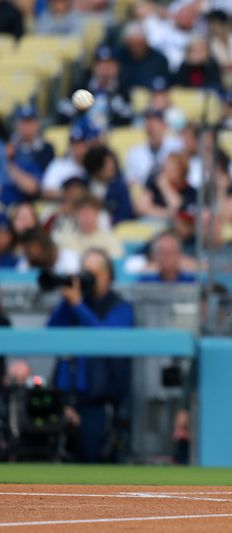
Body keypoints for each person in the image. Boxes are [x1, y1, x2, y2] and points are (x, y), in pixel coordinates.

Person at [48, 248, 134, 463]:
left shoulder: (120, 308)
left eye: (92, 273)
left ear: (107, 275)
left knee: (93, 461)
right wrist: (67, 303)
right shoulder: (76, 305)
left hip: (97, 402)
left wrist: (78, 305)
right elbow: (50, 332)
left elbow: (106, 339)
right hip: (65, 397)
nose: (86, 279)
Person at [4, 105, 55, 206]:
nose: (27, 128)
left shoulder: (46, 149)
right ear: (17, 125)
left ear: (37, 124)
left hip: (34, 203)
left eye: (30, 123)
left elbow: (34, 187)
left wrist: (7, 162)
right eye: (23, 123)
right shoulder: (9, 146)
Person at [124, 108, 183, 186]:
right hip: (146, 193)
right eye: (149, 123)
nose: (152, 127)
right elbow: (130, 181)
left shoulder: (177, 146)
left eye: (156, 123)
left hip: (171, 190)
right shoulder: (134, 153)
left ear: (164, 126)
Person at [54, 195, 123, 259]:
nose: (86, 218)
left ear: (97, 214)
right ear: (76, 215)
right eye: (82, 213)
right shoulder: (67, 241)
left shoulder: (110, 239)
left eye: (90, 213)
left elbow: (116, 262)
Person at [41, 121, 98, 198]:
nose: (77, 149)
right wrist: (69, 195)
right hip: (64, 206)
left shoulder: (95, 164)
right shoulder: (59, 164)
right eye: (74, 144)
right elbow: (46, 192)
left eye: (81, 144)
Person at [82, 145, 135, 226]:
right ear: (96, 166)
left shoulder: (120, 187)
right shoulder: (83, 185)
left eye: (112, 162)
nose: (111, 167)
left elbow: (126, 214)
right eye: (107, 163)